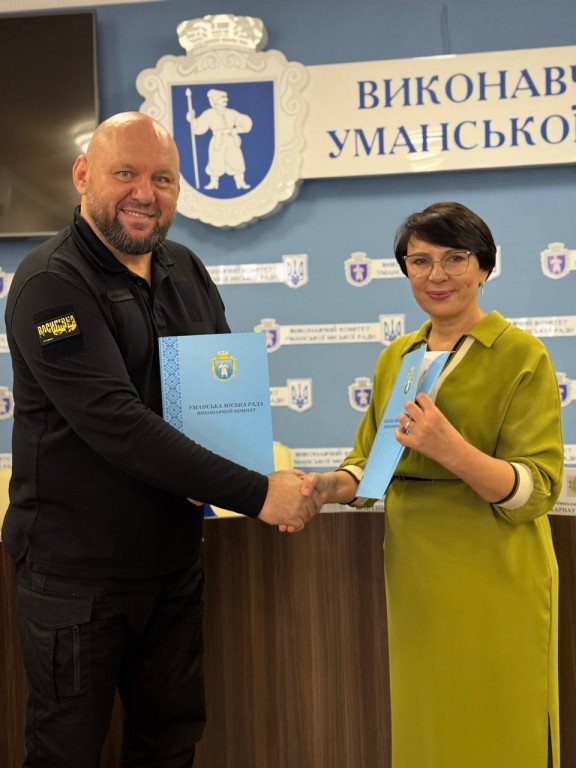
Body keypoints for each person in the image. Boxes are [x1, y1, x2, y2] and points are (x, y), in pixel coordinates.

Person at [2, 111, 317, 768]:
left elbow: (219, 394)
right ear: (82, 175)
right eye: (125, 173)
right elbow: (118, 425)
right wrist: (260, 493)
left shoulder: (185, 268)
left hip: (172, 566)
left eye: (163, 179)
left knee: (170, 746)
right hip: (77, 578)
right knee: (65, 752)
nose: (145, 193)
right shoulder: (50, 283)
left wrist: (261, 472)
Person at [301, 201, 564, 768]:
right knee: (428, 732)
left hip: (496, 574)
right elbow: (370, 467)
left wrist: (452, 449)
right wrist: (324, 488)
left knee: (499, 727)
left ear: (484, 266)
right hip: (416, 577)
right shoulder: (397, 356)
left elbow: (537, 488)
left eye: (455, 258)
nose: (436, 275)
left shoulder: (521, 355)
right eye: (420, 261)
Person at [186, 88, 252, 190]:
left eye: (225, 98)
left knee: (236, 160)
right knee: (215, 161)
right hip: (217, 140)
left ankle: (240, 182)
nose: (225, 100)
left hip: (231, 139)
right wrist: (192, 119)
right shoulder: (209, 113)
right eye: (222, 98)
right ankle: (213, 183)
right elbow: (199, 128)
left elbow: (245, 122)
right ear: (215, 100)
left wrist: (237, 130)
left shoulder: (231, 113)